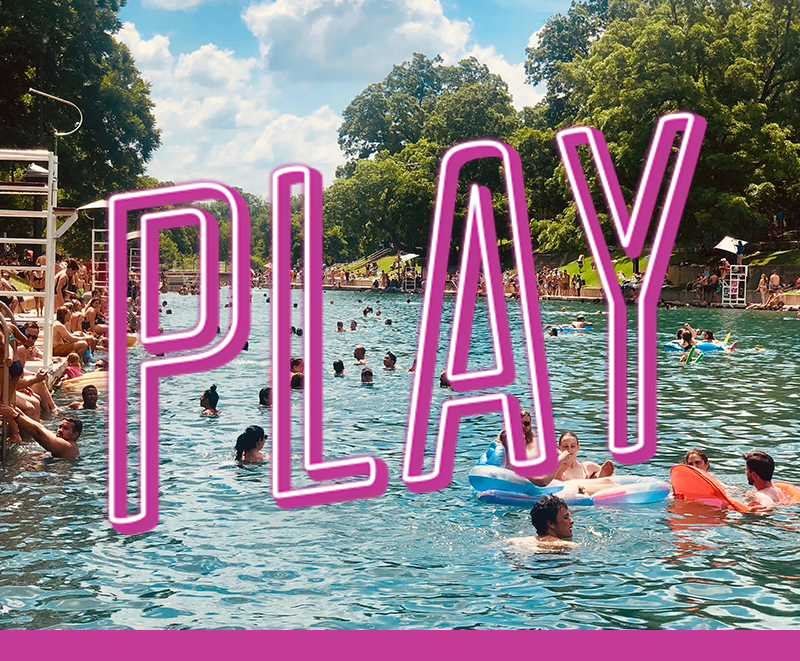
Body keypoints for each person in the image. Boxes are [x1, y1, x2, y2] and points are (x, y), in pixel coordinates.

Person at [0, 406, 81, 459]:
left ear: (75, 434)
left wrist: (15, 415)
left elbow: (37, 433)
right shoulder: (61, 441)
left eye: (66, 428)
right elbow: (41, 428)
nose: (60, 430)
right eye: (60, 427)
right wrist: (20, 414)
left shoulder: (69, 447)